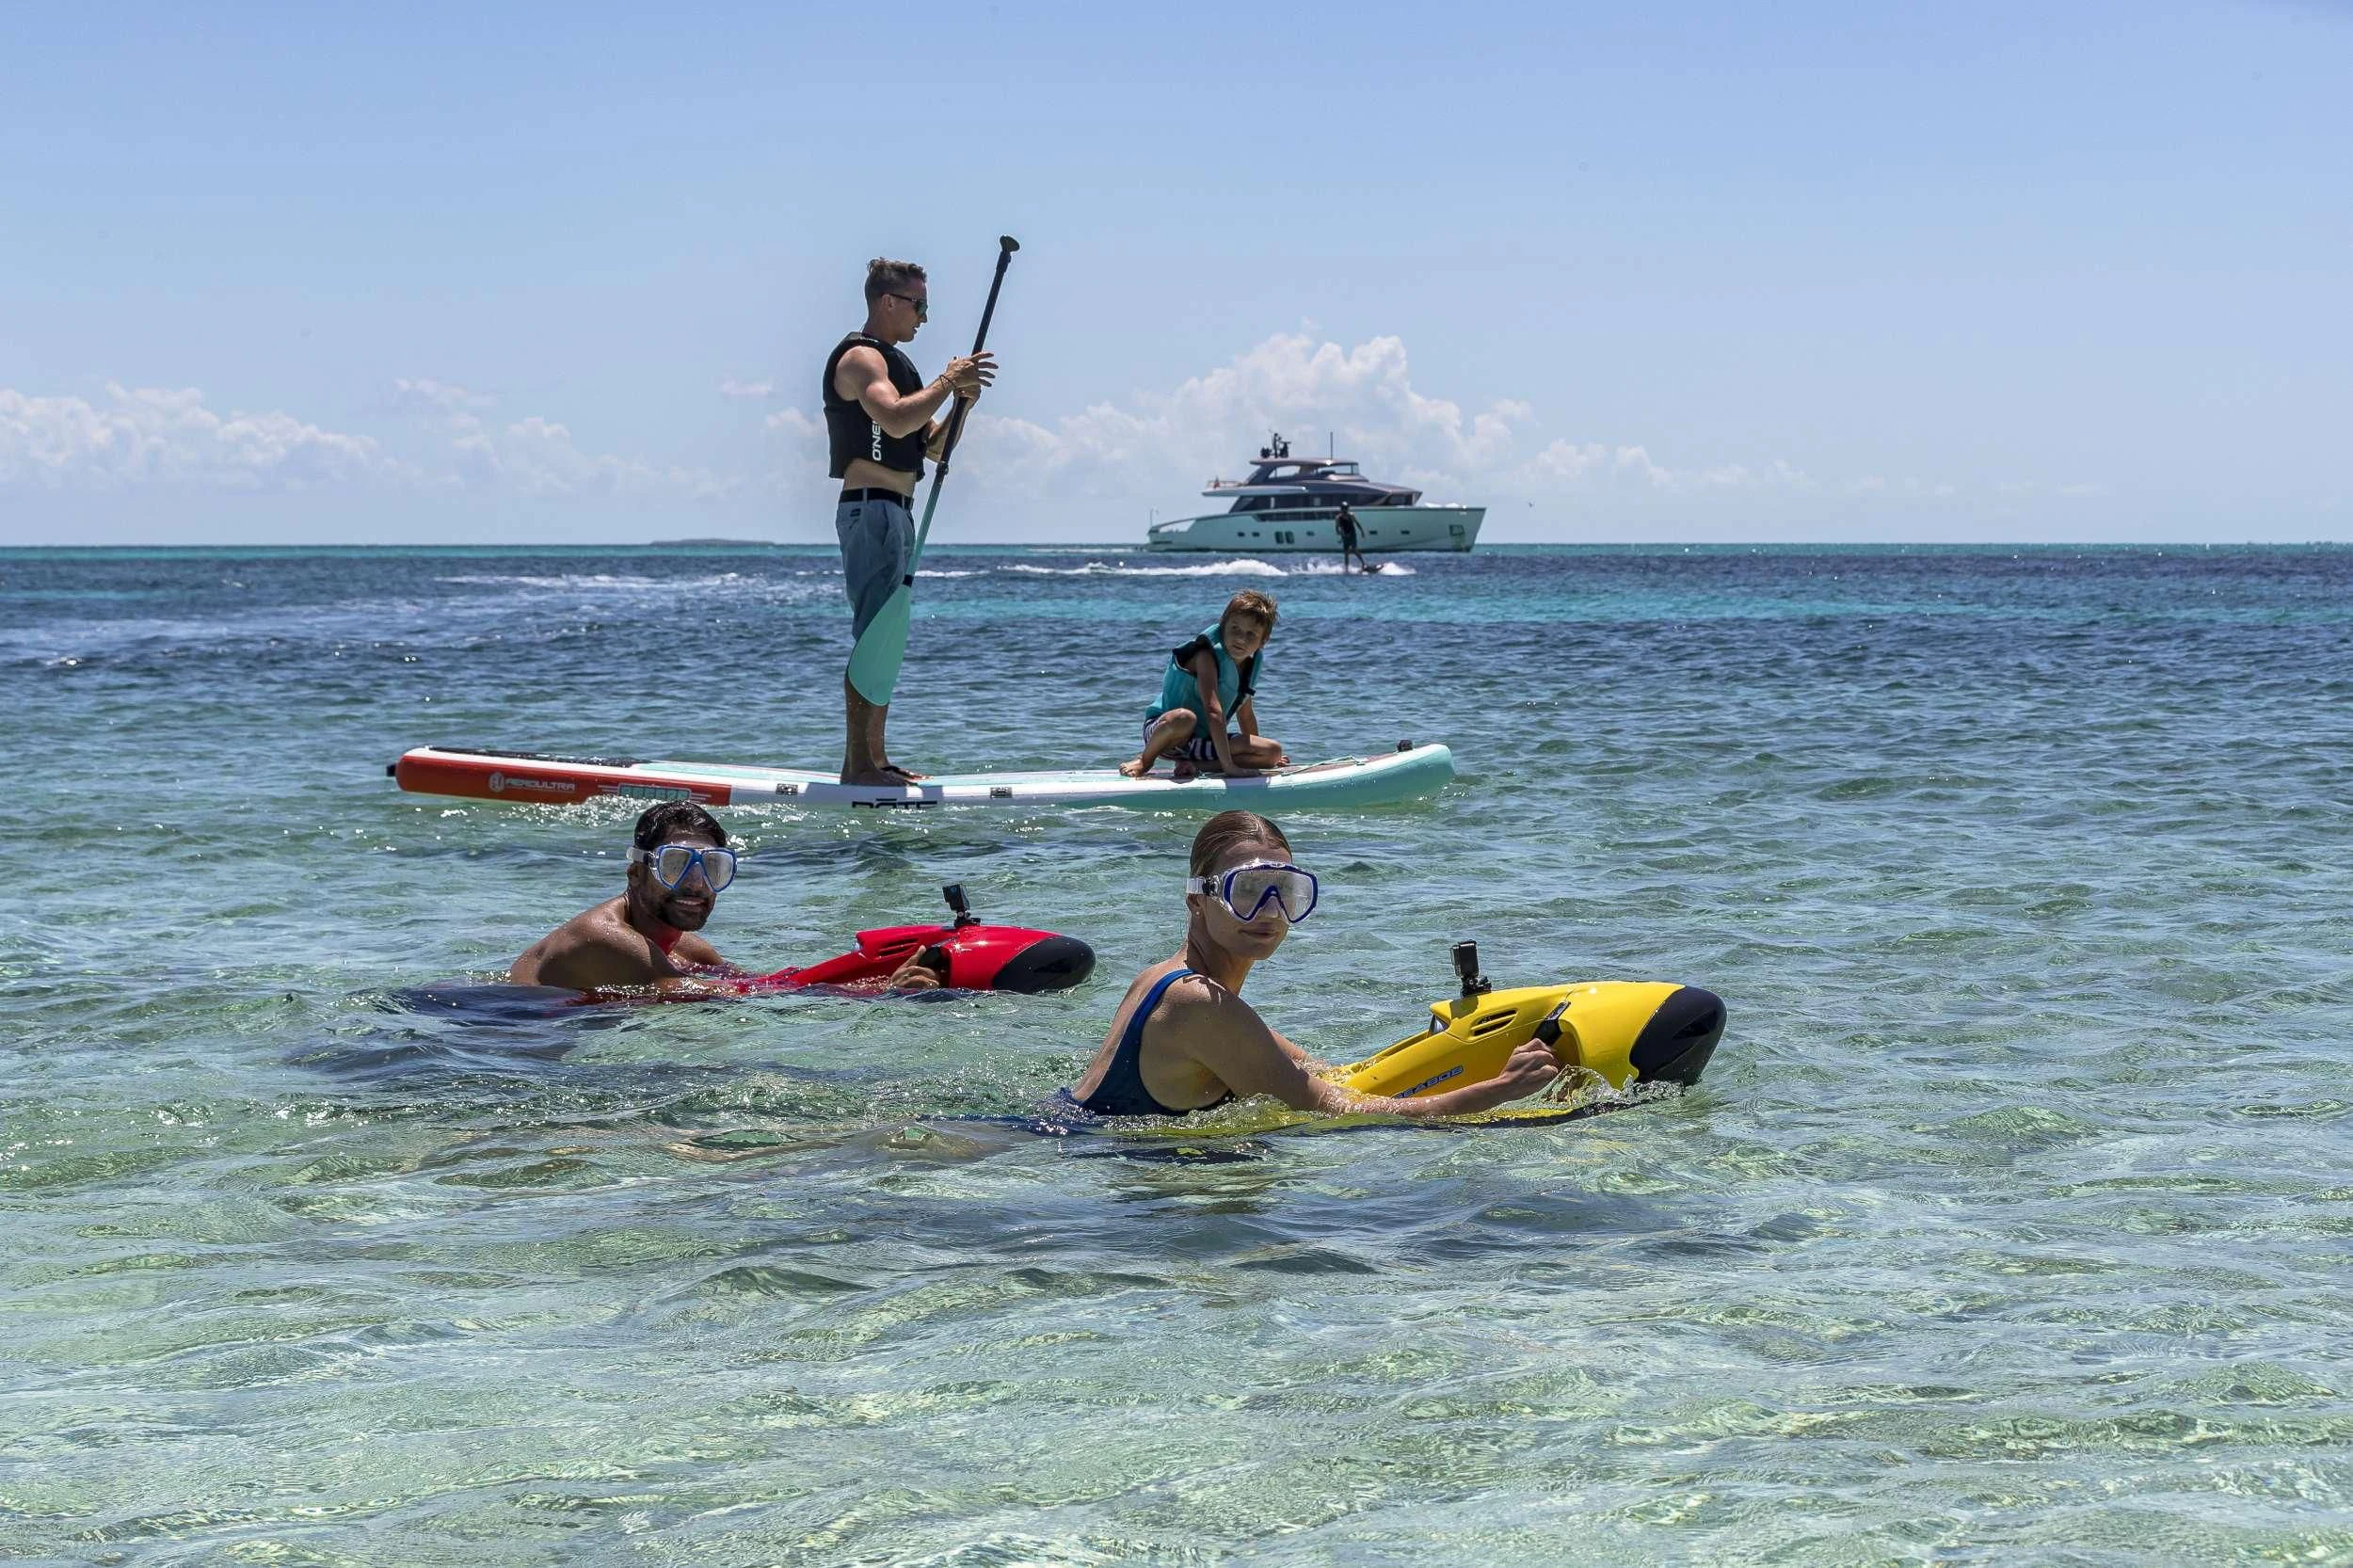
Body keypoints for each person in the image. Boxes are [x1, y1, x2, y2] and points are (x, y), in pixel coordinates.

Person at [1061, 811, 1561, 1118]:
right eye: (1248, 893)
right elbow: (1336, 1114)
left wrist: (1464, 1050)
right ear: (1198, 900)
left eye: (1287, 893)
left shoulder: (1169, 978)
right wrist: (1494, 1093)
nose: (1270, 913)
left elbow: (1332, 1075)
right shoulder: (1197, 1003)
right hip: (1090, 1164)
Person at [823, 256, 997, 786]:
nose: (924, 317)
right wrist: (949, 378)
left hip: (899, 511)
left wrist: (961, 403)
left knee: (888, 636)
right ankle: (858, 765)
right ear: (888, 302)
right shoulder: (860, 359)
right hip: (870, 507)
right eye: (919, 305)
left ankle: (875, 758)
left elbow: (931, 445)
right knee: (874, 632)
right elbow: (895, 419)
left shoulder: (900, 368)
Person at [509, 802, 945, 994]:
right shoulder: (604, 937)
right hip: (496, 1030)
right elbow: (722, 1001)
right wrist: (878, 993)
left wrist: (879, 971)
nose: (697, 884)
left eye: (713, 868)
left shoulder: (686, 947)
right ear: (637, 872)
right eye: (677, 865)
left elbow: (770, 984)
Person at [1119, 589, 1292, 780]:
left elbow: (1246, 714)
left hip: (1202, 744)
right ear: (1223, 626)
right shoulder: (1205, 656)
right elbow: (1213, 710)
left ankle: (1195, 765)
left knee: (1272, 752)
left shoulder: (1247, 667)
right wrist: (1230, 767)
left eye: (1251, 634)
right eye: (1235, 629)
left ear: (1263, 641)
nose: (1241, 639)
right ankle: (1144, 761)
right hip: (1167, 735)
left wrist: (1257, 753)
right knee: (1184, 718)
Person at [1333, 502, 1369, 573]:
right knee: (1346, 553)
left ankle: (1363, 564)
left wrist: (1362, 531)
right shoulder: (1338, 518)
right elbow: (1337, 529)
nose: (1345, 510)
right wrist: (1341, 534)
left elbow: (1357, 523)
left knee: (1354, 549)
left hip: (1352, 535)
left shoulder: (1351, 515)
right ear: (1341, 509)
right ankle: (1346, 569)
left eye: (1346, 508)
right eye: (1343, 509)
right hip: (1345, 536)